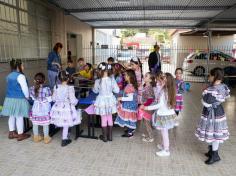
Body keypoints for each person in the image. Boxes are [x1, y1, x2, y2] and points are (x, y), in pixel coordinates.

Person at [195, 68, 230, 165]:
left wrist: (203, 100)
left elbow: (206, 102)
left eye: (210, 75)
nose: (208, 77)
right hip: (216, 112)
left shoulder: (213, 89)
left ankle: (215, 155)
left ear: (215, 76)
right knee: (212, 132)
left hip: (213, 114)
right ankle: (211, 151)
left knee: (214, 134)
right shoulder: (222, 86)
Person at [141, 73, 176, 157]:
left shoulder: (165, 92)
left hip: (164, 115)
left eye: (163, 79)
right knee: (164, 132)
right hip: (166, 114)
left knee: (164, 133)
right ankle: (164, 146)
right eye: (161, 78)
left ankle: (166, 150)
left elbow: (160, 104)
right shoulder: (166, 90)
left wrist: (147, 108)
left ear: (167, 81)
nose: (160, 80)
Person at [1, 59, 31, 141]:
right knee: (19, 116)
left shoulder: (9, 75)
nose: (23, 66)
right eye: (22, 65)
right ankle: (21, 134)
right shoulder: (21, 76)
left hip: (9, 99)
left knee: (12, 115)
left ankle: (12, 133)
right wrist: (27, 96)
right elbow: (24, 88)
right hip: (18, 99)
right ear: (18, 67)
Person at [50, 71, 81, 147]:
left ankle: (65, 136)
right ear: (68, 79)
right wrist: (77, 101)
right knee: (66, 123)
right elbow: (73, 100)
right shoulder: (70, 88)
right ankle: (64, 139)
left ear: (59, 79)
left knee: (61, 120)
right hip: (67, 107)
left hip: (58, 107)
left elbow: (53, 99)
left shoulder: (56, 86)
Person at [93, 62, 120, 142]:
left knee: (103, 118)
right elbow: (117, 90)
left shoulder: (98, 81)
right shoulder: (112, 80)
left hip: (101, 101)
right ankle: (110, 137)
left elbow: (95, 91)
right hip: (110, 100)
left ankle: (104, 137)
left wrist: (94, 88)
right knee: (110, 117)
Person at [114, 69, 138, 138]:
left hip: (129, 106)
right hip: (131, 105)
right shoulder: (131, 85)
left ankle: (130, 132)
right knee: (129, 118)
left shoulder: (130, 86)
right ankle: (130, 129)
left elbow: (130, 98)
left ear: (130, 76)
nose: (124, 76)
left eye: (125, 75)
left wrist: (120, 98)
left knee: (129, 118)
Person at [29, 73, 52, 144]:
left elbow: (32, 98)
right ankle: (46, 138)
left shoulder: (31, 88)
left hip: (36, 107)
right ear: (44, 81)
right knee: (45, 124)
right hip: (44, 108)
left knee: (35, 123)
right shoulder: (46, 89)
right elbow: (50, 99)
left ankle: (36, 137)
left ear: (34, 80)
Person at [138, 72, 156, 143]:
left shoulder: (149, 88)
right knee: (145, 121)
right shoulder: (146, 86)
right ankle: (148, 134)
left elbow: (150, 99)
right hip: (145, 107)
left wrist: (144, 105)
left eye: (146, 76)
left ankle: (151, 137)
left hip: (147, 108)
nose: (144, 77)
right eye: (145, 75)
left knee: (147, 122)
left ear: (150, 80)